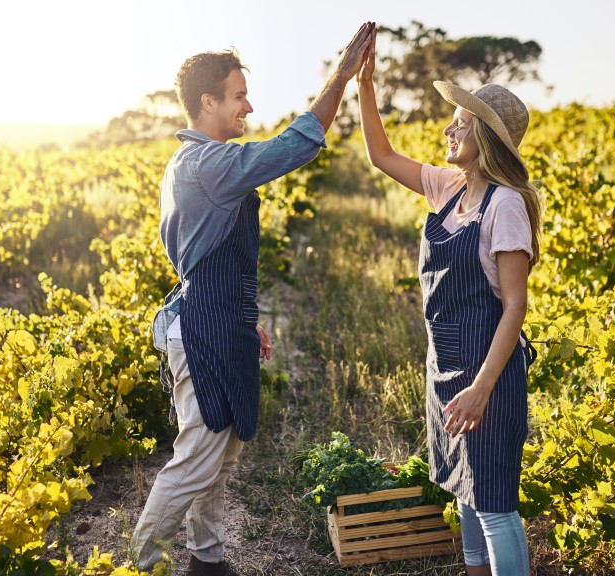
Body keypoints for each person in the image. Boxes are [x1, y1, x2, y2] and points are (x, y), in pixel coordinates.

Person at [130, 23, 375, 576]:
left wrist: (245, 319)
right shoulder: (205, 165)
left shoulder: (196, 164)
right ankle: (137, 563)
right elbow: (294, 146)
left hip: (219, 320)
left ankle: (207, 559)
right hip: (200, 327)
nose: (248, 105)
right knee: (196, 458)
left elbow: (216, 256)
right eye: (238, 96)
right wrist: (340, 76)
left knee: (223, 453)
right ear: (207, 101)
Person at [356, 29, 541, 576]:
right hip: (445, 364)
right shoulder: (450, 187)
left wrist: (482, 388)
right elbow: (381, 154)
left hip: (489, 370)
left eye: (459, 123)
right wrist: (366, 84)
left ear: (484, 136)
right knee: (462, 490)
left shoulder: (505, 205)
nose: (447, 128)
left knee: (494, 507)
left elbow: (514, 308)